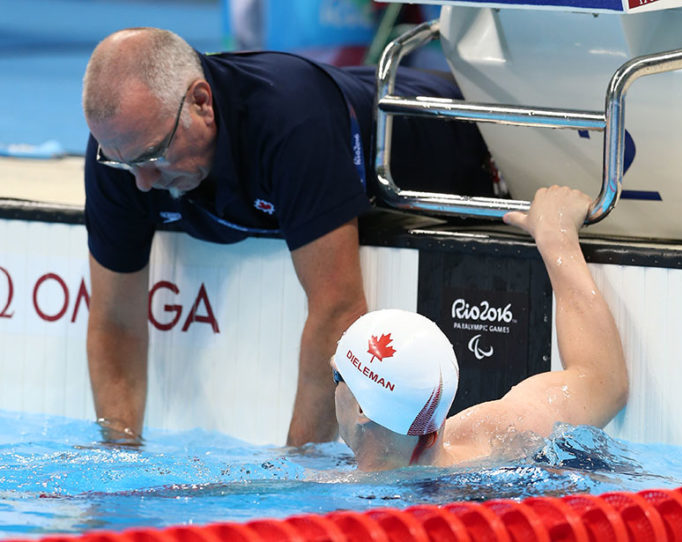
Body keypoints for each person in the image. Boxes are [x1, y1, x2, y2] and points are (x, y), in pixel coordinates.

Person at [81, 27, 494, 446]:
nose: (143, 182)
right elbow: (116, 320)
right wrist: (119, 456)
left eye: (154, 156)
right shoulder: (123, 149)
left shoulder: (289, 117)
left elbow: (338, 309)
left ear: (201, 103)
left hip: (470, 135)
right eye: (124, 163)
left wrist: (298, 478)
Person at [332, 186, 629, 470]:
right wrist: (556, 235)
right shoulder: (497, 436)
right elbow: (602, 382)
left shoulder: (338, 501)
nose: (332, 369)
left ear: (362, 410)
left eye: (338, 376)